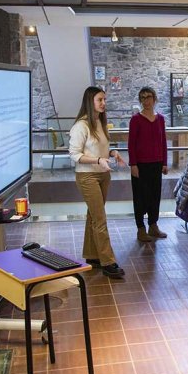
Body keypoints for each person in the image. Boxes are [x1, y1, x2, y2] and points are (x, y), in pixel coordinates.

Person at [68, 86, 126, 279]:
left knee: (93, 216)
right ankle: (108, 262)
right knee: (100, 218)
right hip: (87, 176)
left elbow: (100, 150)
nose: (103, 103)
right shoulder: (80, 126)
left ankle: (92, 256)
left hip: (103, 174)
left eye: (104, 99)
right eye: (100, 100)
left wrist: (112, 153)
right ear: (90, 102)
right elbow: (75, 155)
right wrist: (98, 160)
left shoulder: (100, 123)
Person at [128, 87, 168, 242]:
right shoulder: (136, 119)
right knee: (140, 197)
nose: (146, 101)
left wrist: (164, 162)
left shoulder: (161, 119)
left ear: (154, 99)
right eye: (143, 98)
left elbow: (163, 142)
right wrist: (133, 164)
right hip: (140, 166)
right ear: (140, 100)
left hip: (156, 164)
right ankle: (140, 229)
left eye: (149, 97)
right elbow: (131, 144)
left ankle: (153, 225)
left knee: (154, 196)